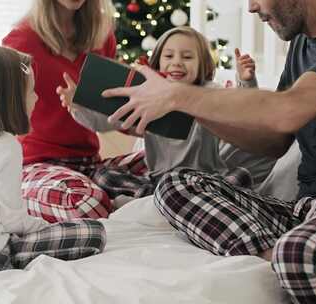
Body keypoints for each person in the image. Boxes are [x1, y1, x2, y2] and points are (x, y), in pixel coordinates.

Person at [101, 0, 316, 302]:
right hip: (306, 212)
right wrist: (192, 110)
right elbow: (274, 141)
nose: (252, 7)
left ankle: (290, 258)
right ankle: (274, 257)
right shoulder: (302, 46)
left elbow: (287, 110)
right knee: (176, 184)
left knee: (300, 251)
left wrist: (179, 95)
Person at [0, 46, 106, 273]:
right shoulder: (4, 147)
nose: (36, 97)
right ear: (9, 99)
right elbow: (13, 220)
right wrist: (48, 226)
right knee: (94, 233)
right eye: (31, 90)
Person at [58, 26, 275, 207]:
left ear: (203, 64)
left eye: (187, 57)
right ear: (158, 63)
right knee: (104, 176)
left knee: (239, 177)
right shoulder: (146, 95)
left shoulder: (209, 92)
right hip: (160, 180)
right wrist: (77, 107)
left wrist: (245, 81)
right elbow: (108, 121)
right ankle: (152, 199)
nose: (177, 62)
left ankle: (155, 202)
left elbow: (241, 109)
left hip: (204, 178)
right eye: (169, 56)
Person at [2, 0, 134, 222]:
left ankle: (107, 198)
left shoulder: (102, 36)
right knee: (86, 204)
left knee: (164, 172)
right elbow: (5, 115)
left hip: (91, 164)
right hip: (38, 164)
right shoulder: (22, 41)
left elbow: (110, 111)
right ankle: (108, 201)